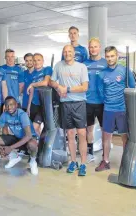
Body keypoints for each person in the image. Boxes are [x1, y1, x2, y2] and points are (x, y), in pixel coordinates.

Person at [95, 46, 136, 172]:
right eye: (107, 56)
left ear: (117, 56)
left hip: (122, 109)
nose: (110, 58)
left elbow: (132, 88)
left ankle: (125, 162)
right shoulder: (102, 74)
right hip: (108, 109)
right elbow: (101, 92)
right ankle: (105, 161)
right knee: (106, 136)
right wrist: (108, 101)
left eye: (112, 56)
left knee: (125, 136)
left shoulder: (125, 71)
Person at [49, 45, 89, 176]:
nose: (67, 53)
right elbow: (51, 81)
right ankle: (73, 161)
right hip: (65, 104)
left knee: (82, 134)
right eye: (65, 52)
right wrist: (58, 87)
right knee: (70, 135)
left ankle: (83, 164)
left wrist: (67, 89)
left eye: (69, 51)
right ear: (63, 53)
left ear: (74, 53)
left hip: (79, 103)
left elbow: (84, 87)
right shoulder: (58, 66)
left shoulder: (81, 67)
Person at [0, 96, 39, 175]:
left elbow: (28, 135)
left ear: (16, 105)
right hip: (17, 138)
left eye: (12, 105)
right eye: (7, 105)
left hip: (28, 139)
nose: (9, 107)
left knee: (32, 145)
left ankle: (33, 161)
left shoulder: (22, 115)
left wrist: (10, 147)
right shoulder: (4, 115)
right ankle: (13, 156)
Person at [83, 37, 107, 163]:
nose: (93, 49)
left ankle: (105, 153)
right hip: (88, 101)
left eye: (95, 47)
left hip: (102, 102)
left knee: (105, 130)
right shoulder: (84, 64)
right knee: (89, 129)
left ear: (99, 48)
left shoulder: (105, 63)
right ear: (89, 49)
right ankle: (90, 152)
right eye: (91, 47)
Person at [26, 53, 53, 137]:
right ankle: (38, 146)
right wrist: (28, 107)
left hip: (44, 105)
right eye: (34, 60)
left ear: (43, 61)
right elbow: (31, 91)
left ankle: (41, 145)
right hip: (34, 104)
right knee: (33, 129)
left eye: (39, 60)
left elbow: (45, 82)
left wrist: (33, 84)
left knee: (36, 127)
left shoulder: (47, 69)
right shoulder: (32, 74)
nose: (36, 62)